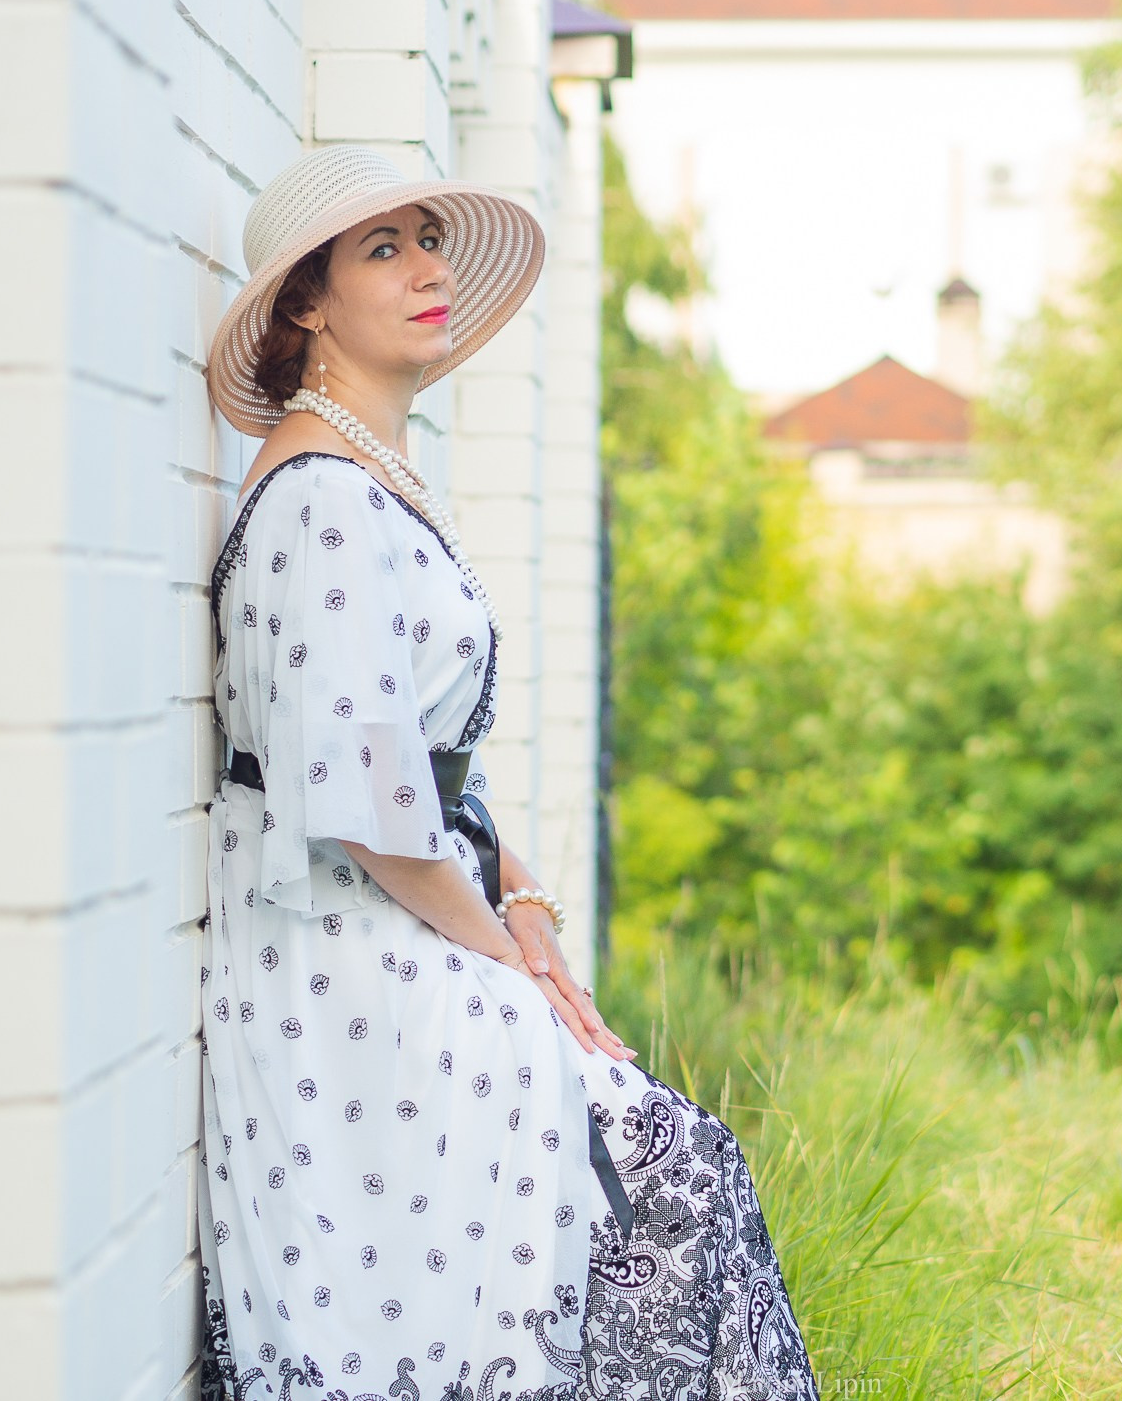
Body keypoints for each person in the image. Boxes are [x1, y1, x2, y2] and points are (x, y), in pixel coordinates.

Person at [196, 145, 820, 1401]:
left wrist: (526, 907)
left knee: (673, 1179)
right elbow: (369, 812)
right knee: (670, 1180)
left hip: (399, 921)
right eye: (386, 249)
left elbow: (423, 775)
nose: (429, 269)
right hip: (345, 953)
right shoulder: (321, 498)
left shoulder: (368, 481)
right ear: (307, 304)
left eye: (430, 240)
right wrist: (506, 961)